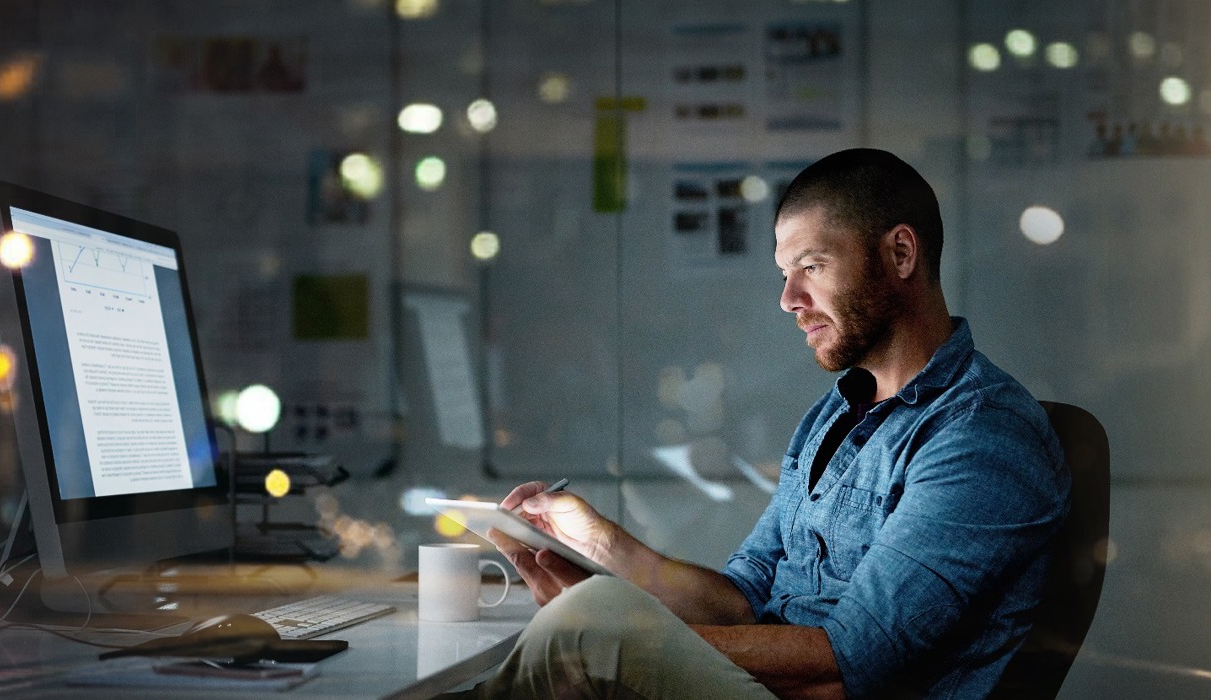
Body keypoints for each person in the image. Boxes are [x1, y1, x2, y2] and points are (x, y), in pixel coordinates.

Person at [458, 149, 1071, 699]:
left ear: (900, 254)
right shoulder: (834, 415)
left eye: (811, 266)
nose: (788, 299)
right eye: (785, 274)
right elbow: (742, 602)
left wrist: (626, 632)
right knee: (589, 619)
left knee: (590, 628)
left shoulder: (982, 436)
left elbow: (848, 663)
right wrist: (601, 547)